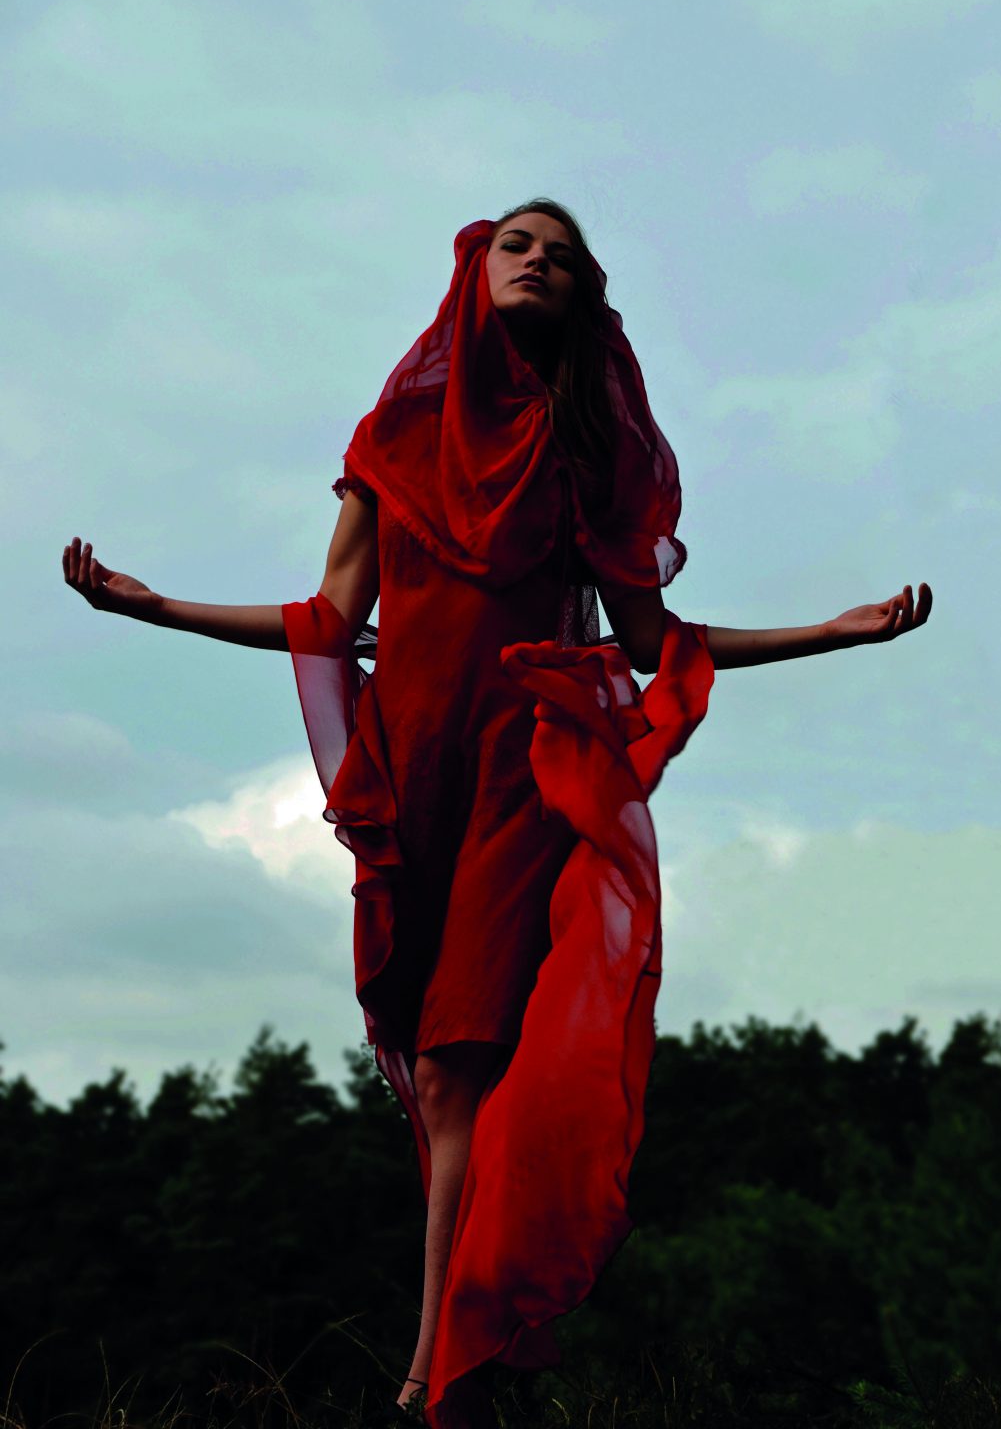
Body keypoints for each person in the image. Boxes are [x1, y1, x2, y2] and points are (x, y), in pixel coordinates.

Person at [63, 199, 932, 1428]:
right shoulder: (394, 441)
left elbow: (652, 641)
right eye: (518, 246)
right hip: (411, 774)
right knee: (434, 1076)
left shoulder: (587, 456)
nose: (538, 262)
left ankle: (433, 1378)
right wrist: (153, 609)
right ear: (475, 273)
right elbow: (329, 619)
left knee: (454, 1065)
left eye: (561, 257)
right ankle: (480, 1351)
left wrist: (830, 634)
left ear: (583, 298)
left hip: (522, 778)